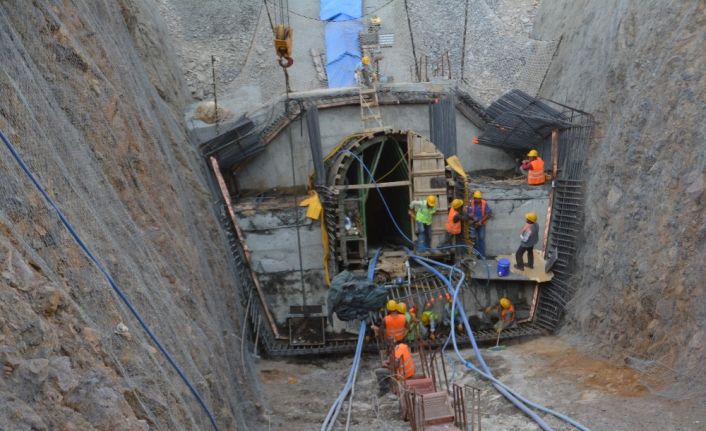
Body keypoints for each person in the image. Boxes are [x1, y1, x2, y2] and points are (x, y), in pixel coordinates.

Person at [467, 190, 492, 258]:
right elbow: (468, 213)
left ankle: (482, 256)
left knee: (481, 239)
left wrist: (480, 222)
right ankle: (476, 255)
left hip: (481, 224)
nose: (478, 200)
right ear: (474, 198)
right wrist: (473, 217)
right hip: (473, 224)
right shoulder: (471, 203)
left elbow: (489, 214)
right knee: (473, 239)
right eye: (476, 198)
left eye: (479, 198)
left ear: (481, 198)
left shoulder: (484, 203)